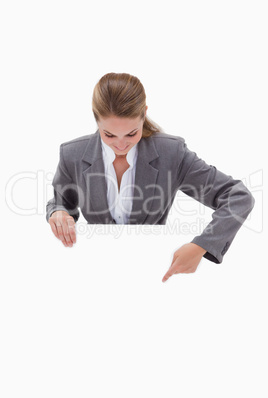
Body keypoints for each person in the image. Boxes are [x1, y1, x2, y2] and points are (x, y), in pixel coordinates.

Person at [46, 72, 255, 282]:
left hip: (156, 271)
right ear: (95, 118)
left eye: (131, 134)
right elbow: (60, 202)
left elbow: (238, 197)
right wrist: (59, 213)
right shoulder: (71, 154)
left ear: (144, 114)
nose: (120, 145)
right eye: (109, 135)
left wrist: (203, 245)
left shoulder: (172, 153)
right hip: (92, 270)